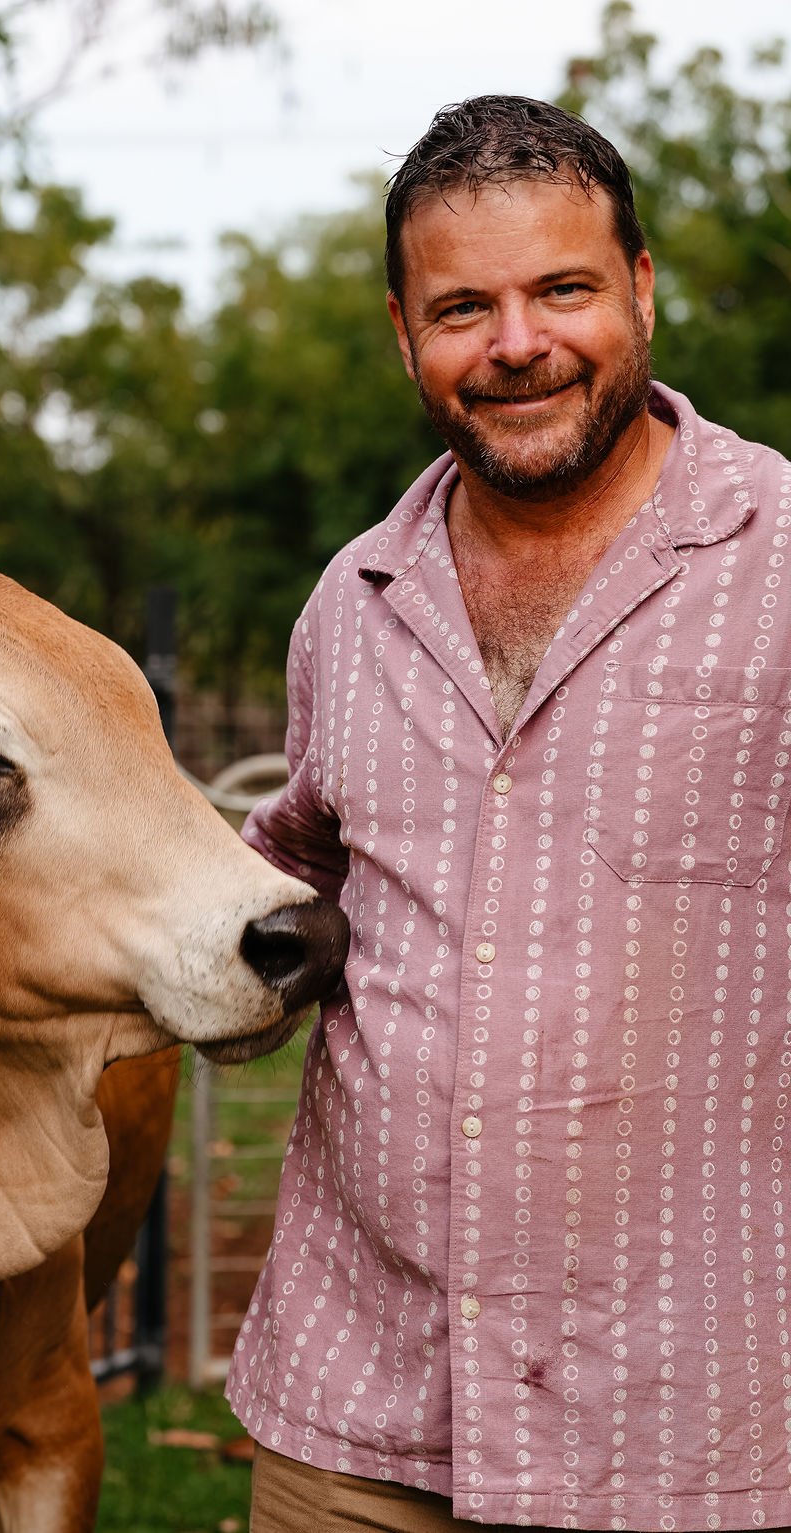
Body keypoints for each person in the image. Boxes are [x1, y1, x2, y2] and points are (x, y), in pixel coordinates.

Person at [226, 93, 791, 1532]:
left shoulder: (780, 561)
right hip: (355, 1418)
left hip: (690, 1427)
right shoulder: (348, 605)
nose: (519, 342)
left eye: (563, 290)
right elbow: (279, 889)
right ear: (404, 333)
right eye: (464, 305)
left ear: (644, 292)